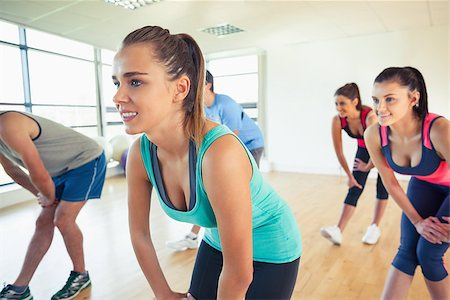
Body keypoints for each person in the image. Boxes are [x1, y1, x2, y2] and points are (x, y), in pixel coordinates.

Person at [113, 25, 302, 299]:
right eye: (117, 82)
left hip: (273, 245)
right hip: (216, 240)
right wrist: (163, 295)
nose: (118, 97)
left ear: (180, 88)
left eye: (136, 82)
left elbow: (239, 274)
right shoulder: (139, 156)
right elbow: (140, 235)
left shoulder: (219, 153)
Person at [0, 111, 106, 300]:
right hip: (57, 170)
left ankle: (80, 276)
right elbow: (13, 170)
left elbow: (37, 170)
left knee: (63, 219)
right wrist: (42, 195)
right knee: (43, 223)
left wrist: (48, 197)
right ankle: (20, 288)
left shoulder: (8, 123)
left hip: (86, 160)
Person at [365, 67, 449, 299]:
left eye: (390, 99)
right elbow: (390, 183)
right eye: (375, 100)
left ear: (413, 98)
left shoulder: (440, 129)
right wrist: (418, 222)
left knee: (429, 252)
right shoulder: (374, 134)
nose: (380, 108)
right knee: (407, 252)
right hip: (424, 185)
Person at [166, 70, 265, 251]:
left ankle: (250, 235)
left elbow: (232, 140)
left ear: (208, 85)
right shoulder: (201, 109)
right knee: (211, 192)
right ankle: (193, 236)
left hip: (251, 145)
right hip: (227, 149)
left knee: (243, 193)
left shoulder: (225, 104)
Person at [320, 83, 389, 245]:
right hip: (364, 149)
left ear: (355, 101)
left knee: (383, 186)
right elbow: (339, 151)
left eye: (342, 103)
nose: (338, 108)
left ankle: (374, 227)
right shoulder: (338, 120)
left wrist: (368, 166)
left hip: (385, 149)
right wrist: (350, 176)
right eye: (336, 104)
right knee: (355, 186)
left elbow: (378, 147)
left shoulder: (370, 117)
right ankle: (338, 230)